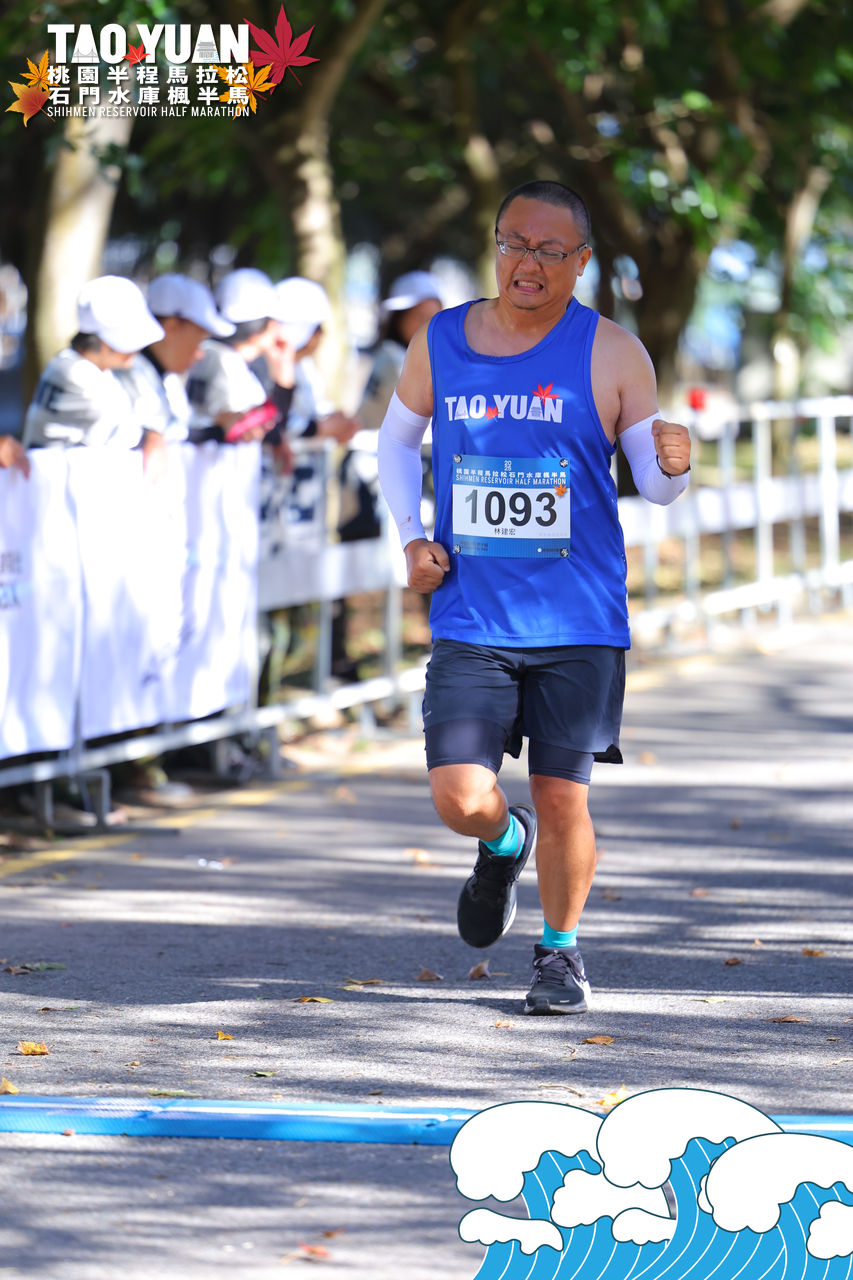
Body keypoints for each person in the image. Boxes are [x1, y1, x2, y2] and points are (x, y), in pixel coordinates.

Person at [378, 180, 691, 1016]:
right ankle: (501, 841)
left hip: (578, 618)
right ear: (494, 247)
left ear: (580, 261)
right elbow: (397, 439)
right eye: (513, 243)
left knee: (562, 795)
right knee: (459, 797)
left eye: (550, 250)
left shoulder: (614, 352)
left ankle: (559, 953)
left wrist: (674, 463)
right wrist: (410, 534)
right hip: (473, 613)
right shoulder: (441, 340)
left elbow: (656, 485)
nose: (527, 262)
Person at [22, 275, 167, 472]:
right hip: (50, 482)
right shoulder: (76, 374)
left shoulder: (71, 363)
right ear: (105, 342)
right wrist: (153, 435)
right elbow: (127, 434)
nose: (136, 350)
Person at [117, 273, 236, 443]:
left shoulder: (168, 378)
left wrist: (220, 424)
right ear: (171, 326)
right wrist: (215, 431)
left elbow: (179, 428)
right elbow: (156, 435)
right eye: (199, 339)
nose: (200, 353)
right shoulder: (126, 371)